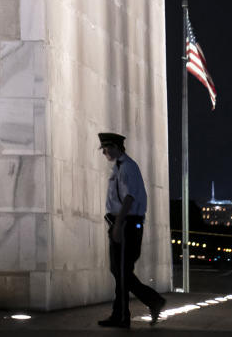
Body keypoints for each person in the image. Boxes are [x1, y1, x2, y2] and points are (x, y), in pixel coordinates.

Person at [98, 132, 166, 328]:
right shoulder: (120, 167)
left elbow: (129, 198)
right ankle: (122, 314)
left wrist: (118, 225)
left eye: (107, 148)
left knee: (121, 271)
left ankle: (133, 310)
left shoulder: (127, 167)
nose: (104, 152)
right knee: (120, 271)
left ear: (117, 147)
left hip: (127, 224)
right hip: (122, 223)